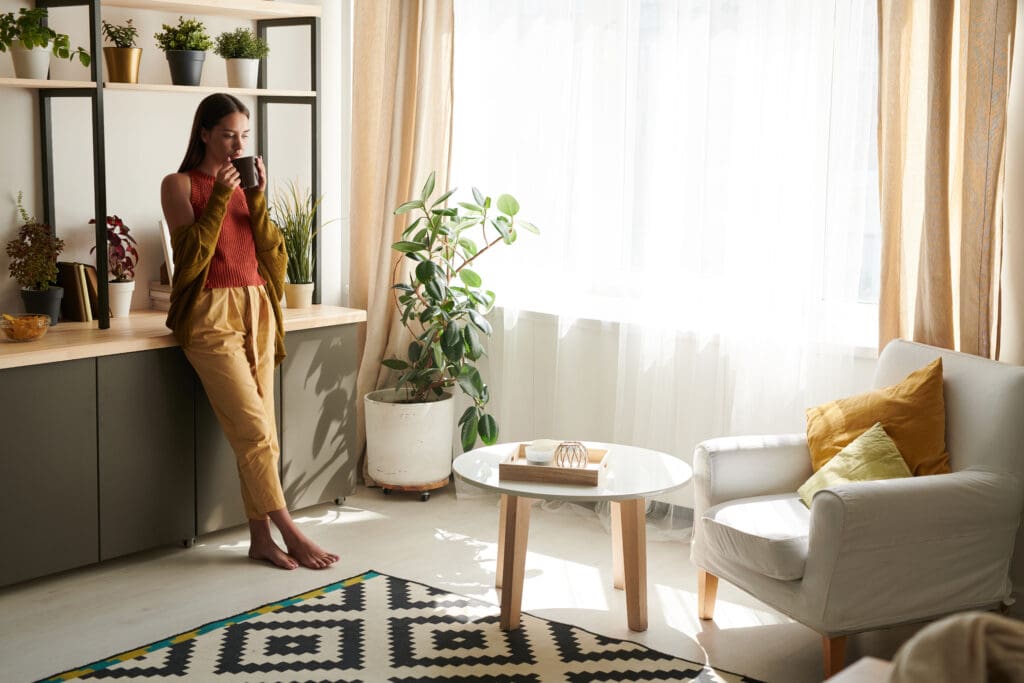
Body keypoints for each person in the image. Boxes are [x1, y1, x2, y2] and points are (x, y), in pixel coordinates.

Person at [160, 93, 338, 571]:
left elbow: (273, 255)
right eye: (227, 134)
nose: (237, 144)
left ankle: (260, 539)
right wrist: (220, 194)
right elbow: (192, 258)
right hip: (209, 314)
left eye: (244, 135)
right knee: (255, 430)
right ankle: (290, 529)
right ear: (203, 133)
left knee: (263, 434)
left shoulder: (248, 186)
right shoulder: (178, 184)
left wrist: (257, 199)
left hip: (257, 306)